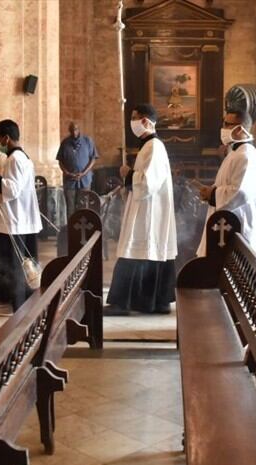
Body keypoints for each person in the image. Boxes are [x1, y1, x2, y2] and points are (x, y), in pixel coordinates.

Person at [105, 104, 178, 315]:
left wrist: (128, 174)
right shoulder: (148, 146)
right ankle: (152, 302)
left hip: (149, 212)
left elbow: (147, 183)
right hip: (144, 207)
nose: (132, 122)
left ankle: (122, 303)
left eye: (135, 117)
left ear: (146, 120)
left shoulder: (154, 146)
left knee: (136, 249)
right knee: (143, 251)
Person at [196, 109, 256, 267]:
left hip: (239, 222)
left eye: (227, 124)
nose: (223, 128)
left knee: (236, 268)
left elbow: (241, 192)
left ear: (239, 129)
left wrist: (213, 194)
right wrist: (211, 192)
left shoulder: (246, 156)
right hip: (229, 220)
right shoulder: (235, 153)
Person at [0, 119, 42, 315]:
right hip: (9, 219)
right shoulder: (18, 158)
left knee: (12, 263)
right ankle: (3, 298)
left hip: (15, 221)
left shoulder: (16, 159)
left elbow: (12, 189)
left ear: (6, 138)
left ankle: (14, 303)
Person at [56, 122, 100, 220]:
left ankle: (83, 232)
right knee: (70, 207)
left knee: (83, 206)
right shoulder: (65, 143)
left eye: (75, 129)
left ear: (79, 129)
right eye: (71, 130)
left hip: (84, 180)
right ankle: (71, 231)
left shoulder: (88, 141)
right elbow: (60, 161)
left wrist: (84, 173)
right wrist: (66, 172)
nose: (74, 132)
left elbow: (93, 159)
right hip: (69, 181)